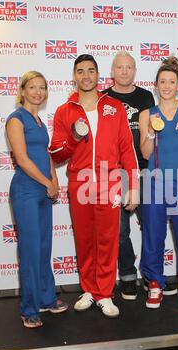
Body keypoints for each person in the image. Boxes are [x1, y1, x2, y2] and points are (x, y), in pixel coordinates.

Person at [49, 54, 139, 318]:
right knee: (86, 239)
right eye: (80, 71)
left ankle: (104, 292)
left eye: (90, 70)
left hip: (110, 181)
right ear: (74, 76)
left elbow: (127, 149)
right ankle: (89, 289)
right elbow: (56, 154)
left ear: (98, 75)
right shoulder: (65, 111)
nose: (86, 76)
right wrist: (75, 137)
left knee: (108, 240)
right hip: (80, 181)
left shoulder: (115, 107)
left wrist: (133, 185)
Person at [103, 52, 177, 301]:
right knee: (120, 230)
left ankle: (152, 276)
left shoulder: (146, 97)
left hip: (146, 169)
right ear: (112, 70)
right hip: (115, 172)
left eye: (129, 67)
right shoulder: (104, 98)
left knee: (153, 227)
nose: (124, 71)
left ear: (135, 70)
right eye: (120, 67)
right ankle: (126, 276)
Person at [139, 56, 178, 310]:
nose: (166, 86)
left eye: (171, 82)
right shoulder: (147, 114)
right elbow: (145, 154)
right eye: (162, 81)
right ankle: (154, 284)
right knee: (153, 235)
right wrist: (150, 134)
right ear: (156, 85)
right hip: (154, 182)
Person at [6, 71, 68, 329]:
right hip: (26, 192)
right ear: (23, 90)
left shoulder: (39, 121)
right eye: (32, 87)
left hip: (43, 190)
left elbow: (45, 155)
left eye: (42, 87)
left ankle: (46, 298)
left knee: (43, 247)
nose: (38, 92)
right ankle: (29, 309)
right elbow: (21, 159)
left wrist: (54, 182)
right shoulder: (16, 119)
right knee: (31, 250)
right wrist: (46, 183)